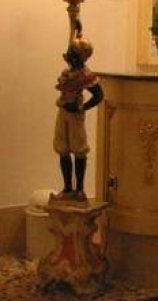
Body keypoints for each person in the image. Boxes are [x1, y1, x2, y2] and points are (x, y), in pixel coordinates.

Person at [52, 26, 104, 203]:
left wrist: (82, 108)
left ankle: (79, 189)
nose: (68, 55)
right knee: (62, 148)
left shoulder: (85, 74)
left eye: (72, 53)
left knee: (79, 149)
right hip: (63, 111)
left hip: (75, 115)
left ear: (79, 56)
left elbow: (98, 95)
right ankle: (68, 188)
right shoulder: (68, 72)